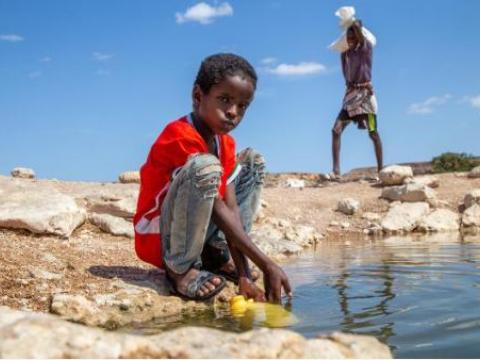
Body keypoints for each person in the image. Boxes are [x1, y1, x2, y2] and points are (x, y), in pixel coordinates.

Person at [134, 53, 292, 303]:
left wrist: (245, 276)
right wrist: (266, 263)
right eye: (225, 100)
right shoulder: (179, 136)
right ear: (198, 96)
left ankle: (217, 255)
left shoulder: (224, 142)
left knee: (251, 161)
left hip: (194, 227)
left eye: (242, 106)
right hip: (161, 235)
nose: (233, 112)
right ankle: (180, 270)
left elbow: (231, 208)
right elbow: (217, 208)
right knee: (206, 166)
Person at [331, 20, 383, 179]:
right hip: (350, 97)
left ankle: (381, 169)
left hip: (366, 98)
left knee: (373, 132)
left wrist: (353, 23)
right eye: (349, 35)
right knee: (336, 130)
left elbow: (362, 37)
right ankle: (336, 171)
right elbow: (345, 74)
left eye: (354, 34)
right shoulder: (344, 55)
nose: (351, 38)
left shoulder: (365, 49)